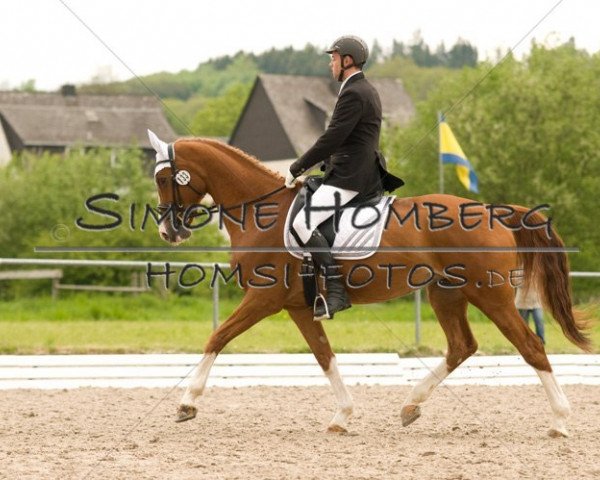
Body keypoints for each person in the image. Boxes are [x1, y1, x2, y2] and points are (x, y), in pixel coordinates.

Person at [285, 35, 403, 320]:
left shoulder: (354, 93)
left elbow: (332, 138)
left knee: (302, 223)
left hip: (351, 178)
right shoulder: (363, 89)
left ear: (347, 61)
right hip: (351, 172)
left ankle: (336, 289)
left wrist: (297, 168)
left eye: (334, 58)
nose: (330, 63)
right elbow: (348, 140)